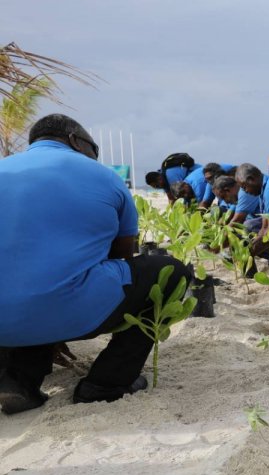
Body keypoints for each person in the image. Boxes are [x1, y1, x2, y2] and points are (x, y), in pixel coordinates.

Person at [0, 114, 193, 414]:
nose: (95, 156)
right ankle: (106, 383)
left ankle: (18, 380)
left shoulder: (4, 168)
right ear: (76, 141)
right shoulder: (103, 176)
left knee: (24, 276)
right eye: (94, 148)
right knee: (170, 272)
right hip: (71, 310)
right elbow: (121, 257)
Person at [232, 163, 269, 258]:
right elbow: (264, 227)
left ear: (252, 179)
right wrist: (252, 245)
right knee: (247, 242)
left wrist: (247, 255)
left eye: (244, 187)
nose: (245, 192)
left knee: (248, 228)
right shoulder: (263, 190)